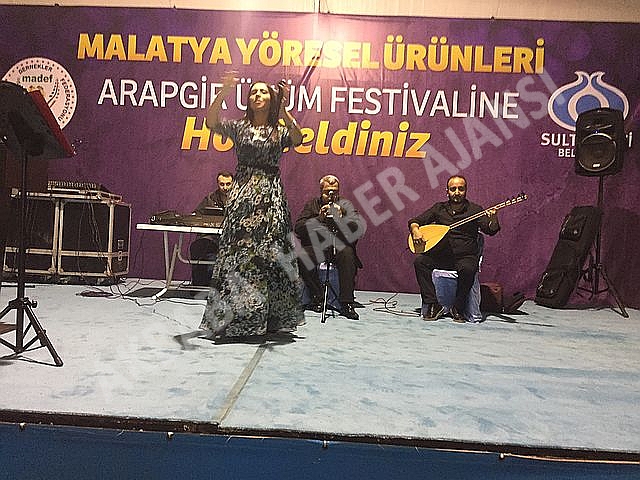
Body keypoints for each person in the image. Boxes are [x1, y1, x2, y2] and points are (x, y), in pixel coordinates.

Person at [192, 72, 305, 340]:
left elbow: (298, 138)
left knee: (273, 257)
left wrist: (284, 111)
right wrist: (223, 92)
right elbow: (211, 122)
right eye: (253, 92)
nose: (257, 95)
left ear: (272, 99)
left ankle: (272, 319)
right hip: (243, 197)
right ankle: (235, 320)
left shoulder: (279, 130)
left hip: (271, 197)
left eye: (263, 91)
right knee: (239, 258)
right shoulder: (239, 127)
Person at [408, 175, 500, 323]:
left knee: (468, 269)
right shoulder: (439, 208)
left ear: (466, 190)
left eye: (460, 189)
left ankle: (458, 306)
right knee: (420, 262)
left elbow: (491, 230)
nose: (457, 192)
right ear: (447, 191)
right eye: (453, 189)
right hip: (442, 256)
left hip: (465, 257)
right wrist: (415, 230)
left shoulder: (475, 210)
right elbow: (415, 221)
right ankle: (433, 304)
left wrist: (493, 219)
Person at [294, 174, 364, 320]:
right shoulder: (312, 205)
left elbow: (358, 228)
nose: (331, 195)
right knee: (303, 256)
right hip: (318, 247)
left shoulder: (345, 205)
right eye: (327, 192)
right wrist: (319, 218)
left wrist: (342, 216)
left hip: (339, 246)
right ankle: (317, 297)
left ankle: (346, 303)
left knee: (347, 254)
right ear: (321, 191)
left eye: (335, 191)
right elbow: (299, 228)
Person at [189, 170, 233, 286]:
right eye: (222, 184)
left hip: (232, 238)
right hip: (211, 237)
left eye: (228, 184)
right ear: (218, 184)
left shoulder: (238, 198)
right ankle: (198, 286)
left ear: (233, 183)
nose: (225, 187)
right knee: (198, 247)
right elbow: (197, 214)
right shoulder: (210, 198)